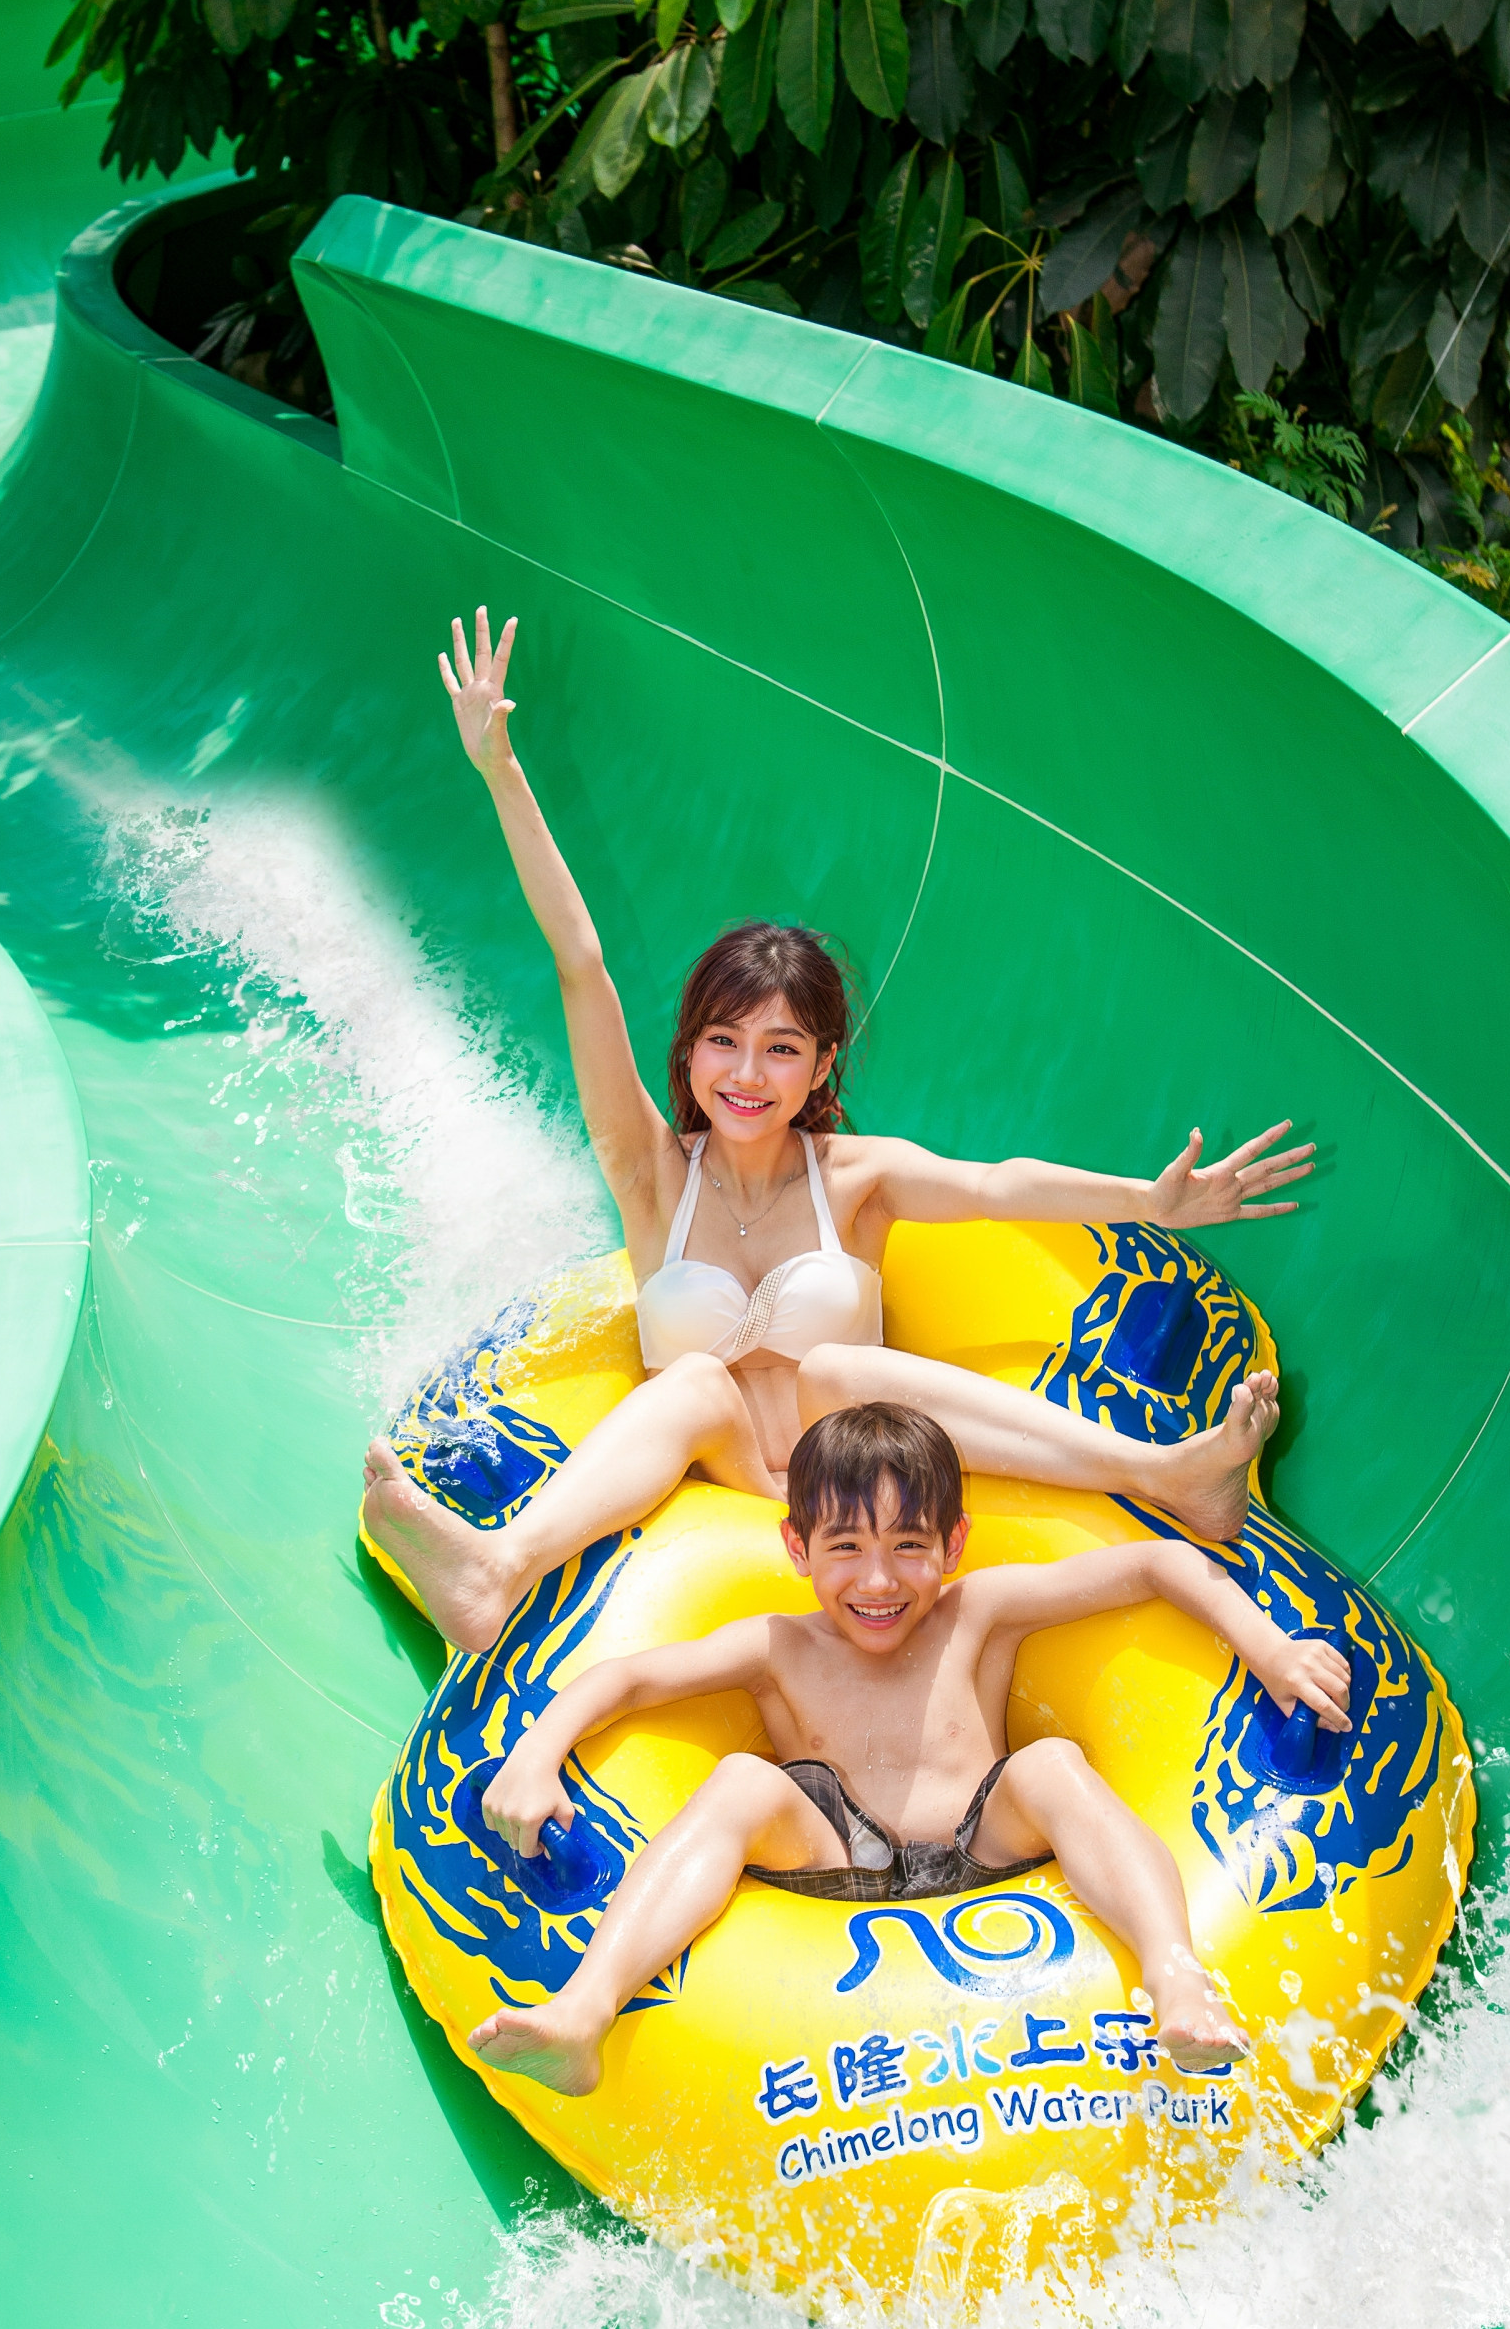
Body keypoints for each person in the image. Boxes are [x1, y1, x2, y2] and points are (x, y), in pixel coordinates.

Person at [362, 608, 1317, 1656]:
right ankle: (497, 1569)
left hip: (865, 1476)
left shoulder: (854, 1179)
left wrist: (1148, 1200)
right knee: (692, 1382)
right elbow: (579, 963)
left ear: (821, 1066)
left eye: (780, 1048)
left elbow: (996, 1185)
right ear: (685, 1052)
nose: (744, 1073)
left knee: (832, 1376)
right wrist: (499, 768)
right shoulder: (648, 1172)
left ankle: (1162, 1472)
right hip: (732, 1471)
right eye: (721, 1041)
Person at [466, 1401, 1351, 2092]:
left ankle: (1175, 1976)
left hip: (982, 1841)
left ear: (953, 1544)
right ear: (797, 1546)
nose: (879, 1579)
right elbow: (622, 1679)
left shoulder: (980, 1610)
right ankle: (584, 2012)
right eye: (845, 1547)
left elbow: (1156, 1563)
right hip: (836, 1857)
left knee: (1049, 1765)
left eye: (909, 1545)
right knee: (740, 1781)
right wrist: (535, 1757)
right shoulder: (776, 1646)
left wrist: (1270, 1650)